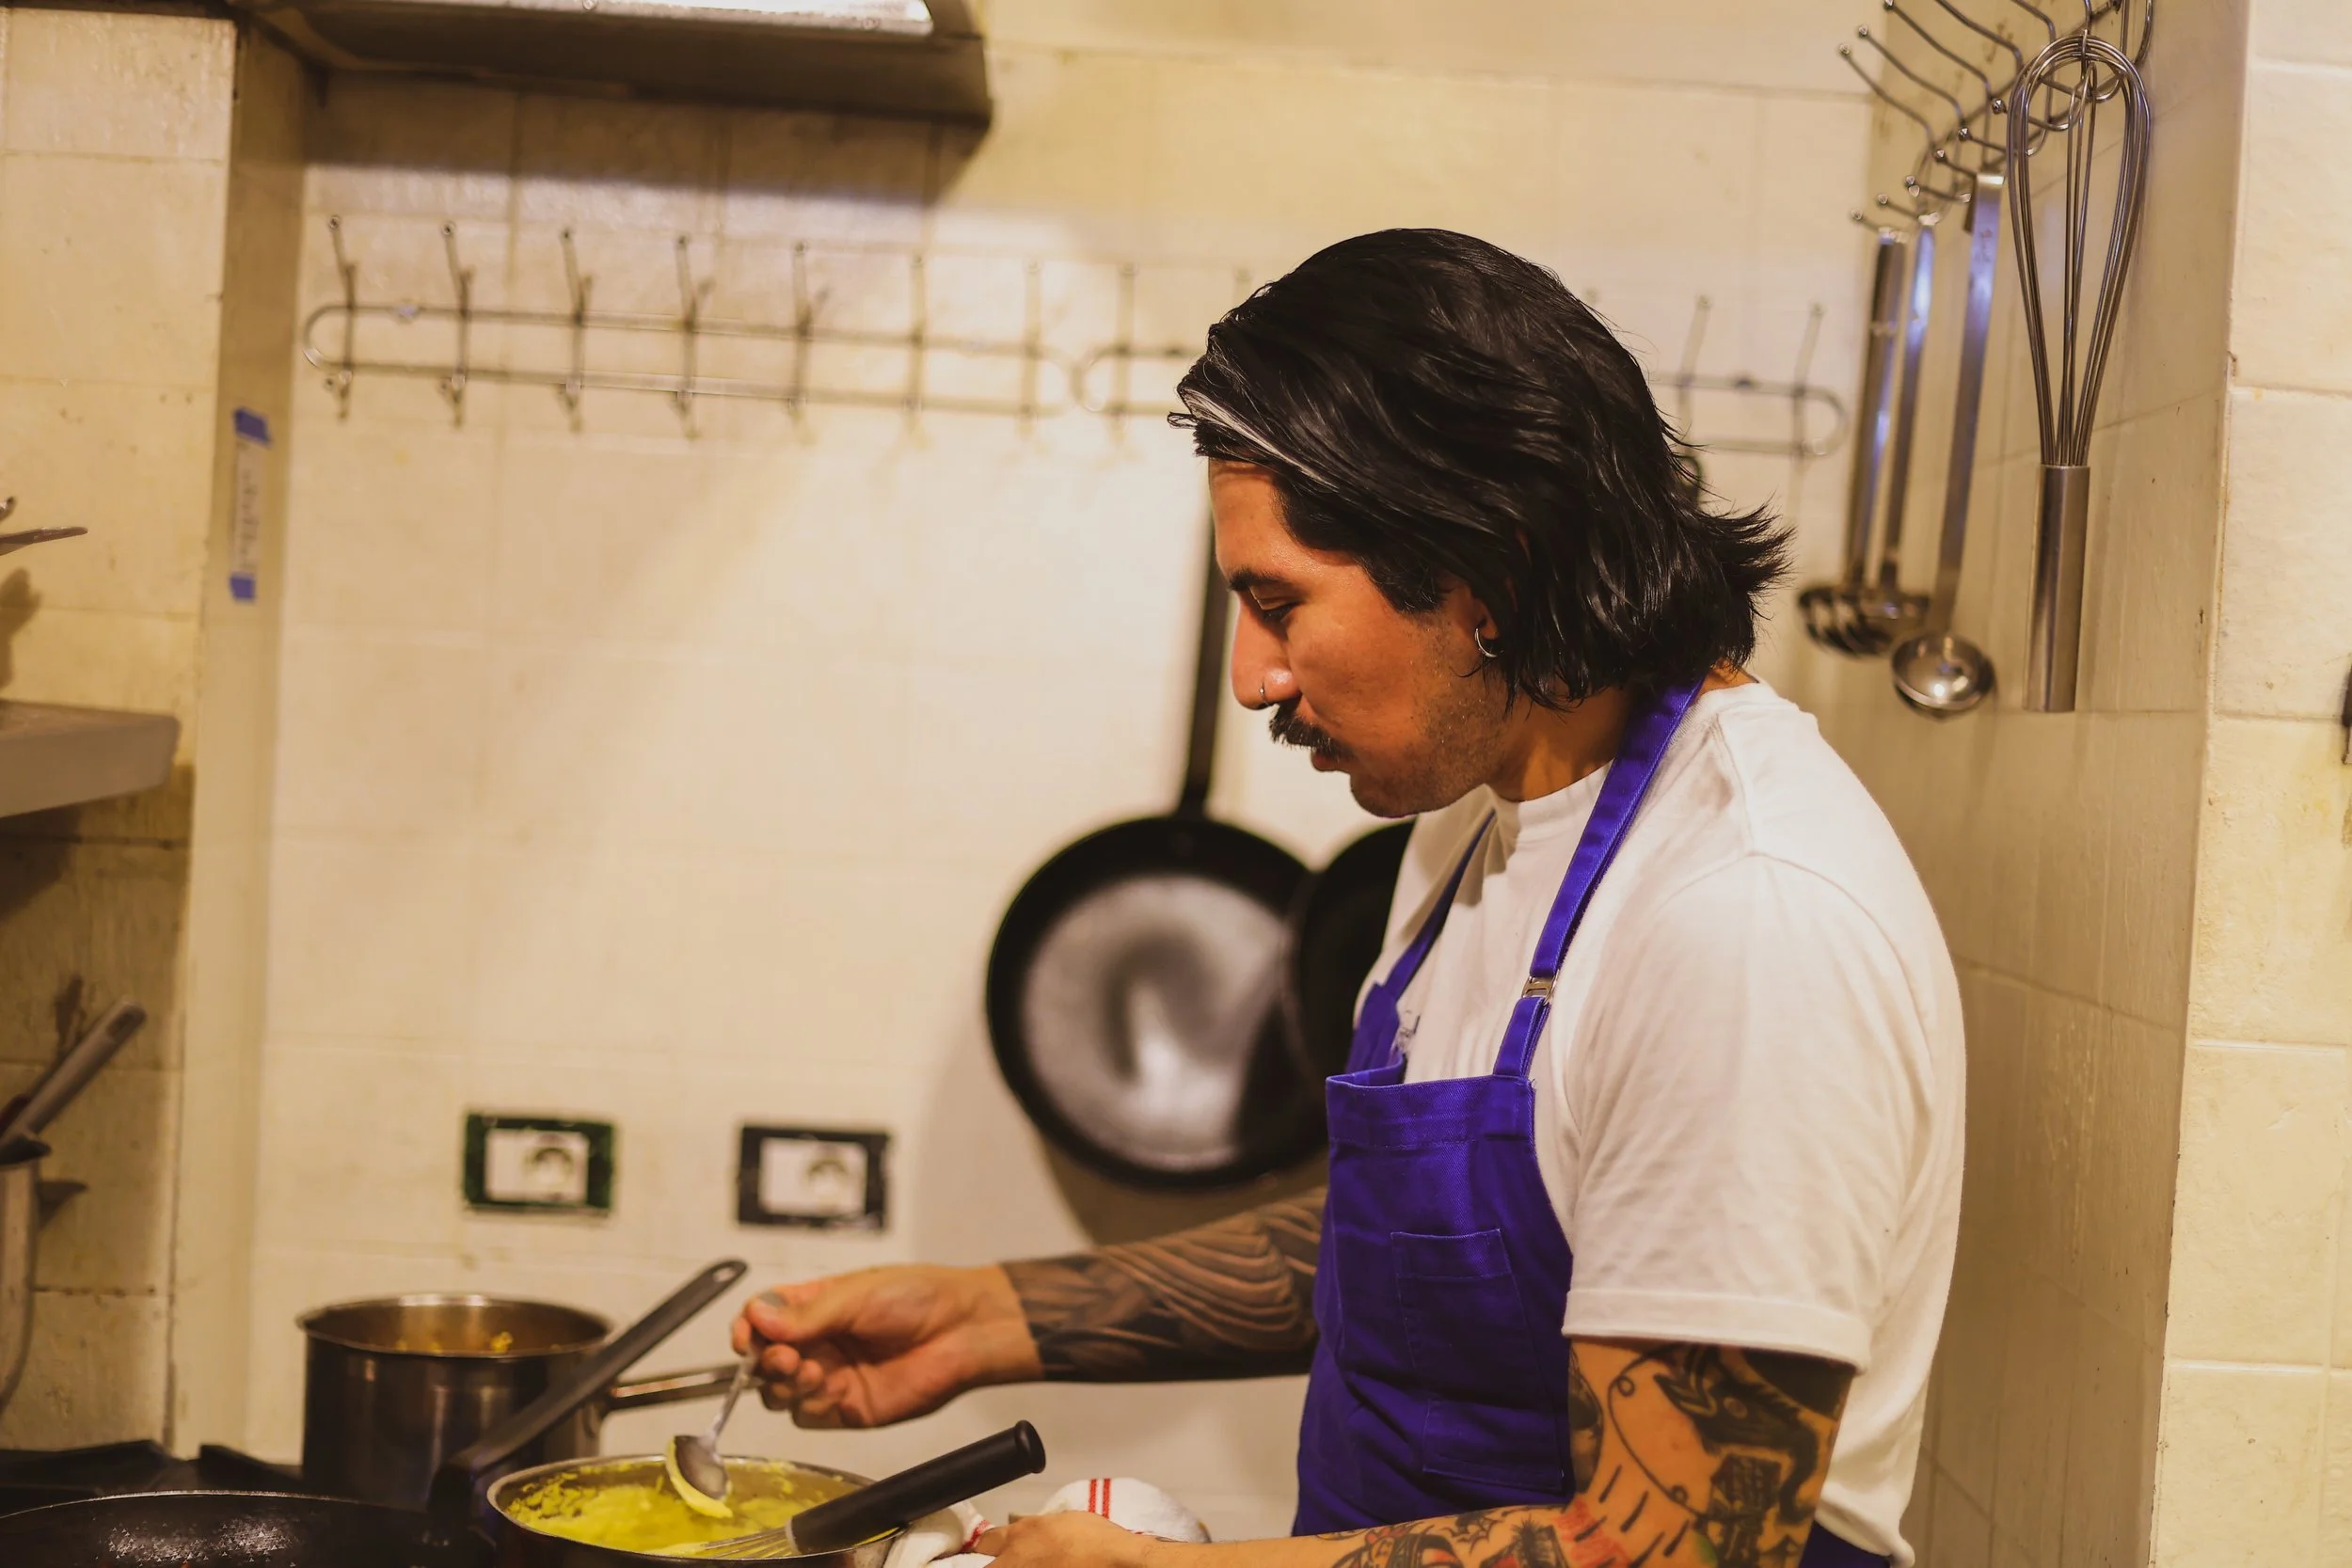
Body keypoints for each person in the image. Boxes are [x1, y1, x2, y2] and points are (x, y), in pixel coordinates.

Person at [732, 230, 1962, 1568]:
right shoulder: (1479, 818)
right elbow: (1446, 1243)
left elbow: (1678, 1554)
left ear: (1487, 564)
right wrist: (992, 1315)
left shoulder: (1746, 923)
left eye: (1279, 602)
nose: (1254, 676)